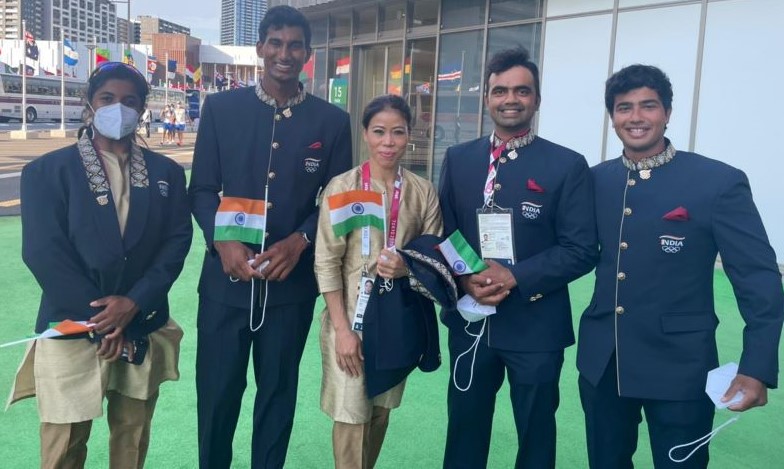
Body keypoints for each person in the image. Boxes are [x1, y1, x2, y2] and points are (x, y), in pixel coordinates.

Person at [577, 64, 784, 468]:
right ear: (612, 117)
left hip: (681, 367)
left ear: (668, 113)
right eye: (624, 108)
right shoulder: (595, 181)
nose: (636, 117)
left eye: (648, 105)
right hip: (603, 362)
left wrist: (757, 365)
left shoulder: (717, 182)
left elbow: (757, 277)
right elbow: (574, 251)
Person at [188, 5, 352, 468]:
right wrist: (221, 241)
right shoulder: (222, 109)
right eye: (275, 43)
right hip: (225, 284)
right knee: (216, 397)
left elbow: (337, 202)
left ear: (308, 54)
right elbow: (201, 189)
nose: (284, 53)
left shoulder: (331, 121)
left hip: (289, 287)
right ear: (260, 48)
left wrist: (301, 240)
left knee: (278, 399)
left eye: (295, 45)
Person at [7, 61, 192, 468]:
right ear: (89, 103)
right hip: (74, 325)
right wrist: (102, 320)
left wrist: (134, 304)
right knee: (63, 444)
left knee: (132, 436)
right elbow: (43, 252)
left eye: (129, 100)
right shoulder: (47, 171)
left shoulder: (166, 172)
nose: (118, 107)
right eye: (107, 98)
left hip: (140, 323)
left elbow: (176, 243)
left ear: (142, 109)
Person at [438, 48, 598, 468]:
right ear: (487, 99)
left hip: (536, 327)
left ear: (537, 99)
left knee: (535, 433)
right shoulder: (459, 159)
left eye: (522, 91)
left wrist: (515, 277)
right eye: (500, 90)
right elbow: (446, 234)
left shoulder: (567, 165)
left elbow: (581, 249)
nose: (510, 99)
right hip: (471, 320)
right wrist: (465, 279)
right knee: (464, 428)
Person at [315, 95, 443, 469]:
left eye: (398, 132)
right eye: (379, 132)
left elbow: (434, 256)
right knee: (351, 415)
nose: (388, 142)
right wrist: (342, 331)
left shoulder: (422, 191)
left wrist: (407, 266)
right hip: (349, 318)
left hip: (397, 317)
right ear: (366, 134)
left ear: (409, 135)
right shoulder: (343, 187)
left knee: (380, 410)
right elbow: (326, 261)